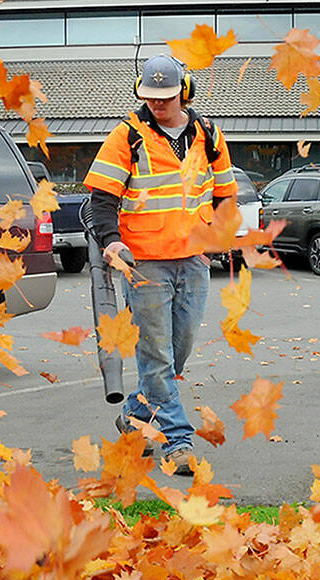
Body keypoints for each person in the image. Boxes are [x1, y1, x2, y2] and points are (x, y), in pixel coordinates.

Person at [83, 54, 237, 474]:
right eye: (150, 98)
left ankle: (135, 416)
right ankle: (177, 441)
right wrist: (112, 243)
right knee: (157, 357)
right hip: (145, 265)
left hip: (193, 262)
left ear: (184, 91)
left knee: (177, 351)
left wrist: (215, 240)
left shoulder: (208, 134)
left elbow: (224, 194)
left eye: (166, 98)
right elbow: (102, 202)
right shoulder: (126, 136)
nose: (158, 105)